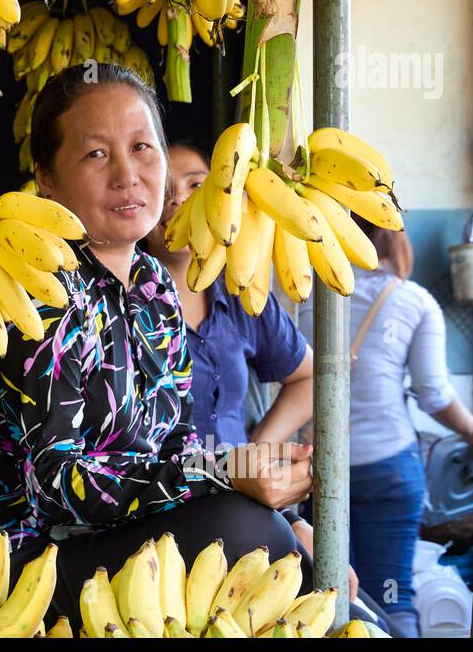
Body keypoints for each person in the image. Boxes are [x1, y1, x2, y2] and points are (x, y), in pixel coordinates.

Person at [0, 63, 313, 629]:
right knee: (247, 532)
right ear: (46, 177)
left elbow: (175, 445)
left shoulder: (156, 285)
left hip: (114, 544)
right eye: (96, 154)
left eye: (142, 147)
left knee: (280, 542)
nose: (128, 175)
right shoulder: (32, 285)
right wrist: (219, 475)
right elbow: (58, 486)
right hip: (16, 567)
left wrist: (244, 466)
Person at [145, 142, 367, 603]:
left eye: (194, 185)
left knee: (341, 596)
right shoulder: (121, 306)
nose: (177, 200)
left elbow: (310, 378)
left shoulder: (243, 288)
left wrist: (258, 450)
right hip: (156, 511)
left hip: (248, 499)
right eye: (163, 188)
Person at [295, 216, 473, 638]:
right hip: (388, 468)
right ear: (395, 239)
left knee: (325, 596)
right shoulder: (412, 300)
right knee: (392, 594)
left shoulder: (300, 296)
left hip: (311, 469)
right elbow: (433, 392)